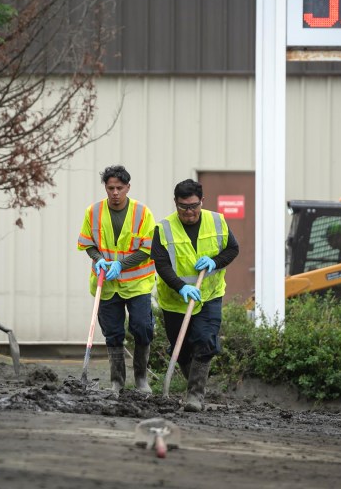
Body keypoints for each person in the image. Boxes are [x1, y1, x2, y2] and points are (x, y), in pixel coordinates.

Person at [152, 179, 239, 412]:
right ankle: (193, 387)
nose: (189, 212)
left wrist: (214, 262)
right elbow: (161, 264)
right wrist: (180, 286)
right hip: (175, 300)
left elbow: (233, 249)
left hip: (209, 294)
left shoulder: (217, 221)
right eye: (183, 207)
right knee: (180, 348)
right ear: (175, 203)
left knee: (205, 340)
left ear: (202, 201)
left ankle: (195, 396)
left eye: (193, 206)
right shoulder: (164, 228)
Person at [77, 165, 157, 393]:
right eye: (110, 188)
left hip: (137, 283)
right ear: (105, 187)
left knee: (142, 327)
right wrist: (98, 258)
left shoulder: (143, 213)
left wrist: (122, 264)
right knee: (113, 333)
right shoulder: (93, 212)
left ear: (128, 187)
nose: (114, 192)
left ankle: (141, 378)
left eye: (119, 188)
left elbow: (148, 248)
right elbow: (87, 243)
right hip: (106, 283)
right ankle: (117, 381)